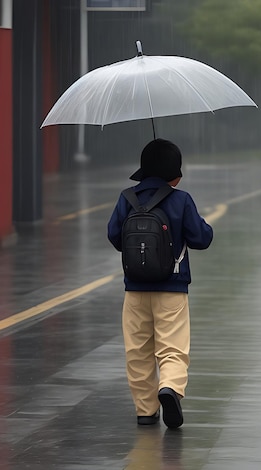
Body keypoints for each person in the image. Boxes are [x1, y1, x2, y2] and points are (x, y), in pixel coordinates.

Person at [108, 138, 213, 428]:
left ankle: (145, 409)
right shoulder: (181, 199)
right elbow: (201, 238)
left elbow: (114, 236)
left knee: (138, 350)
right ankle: (169, 387)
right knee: (172, 347)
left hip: (135, 290)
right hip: (172, 287)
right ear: (175, 175)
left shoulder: (126, 197)